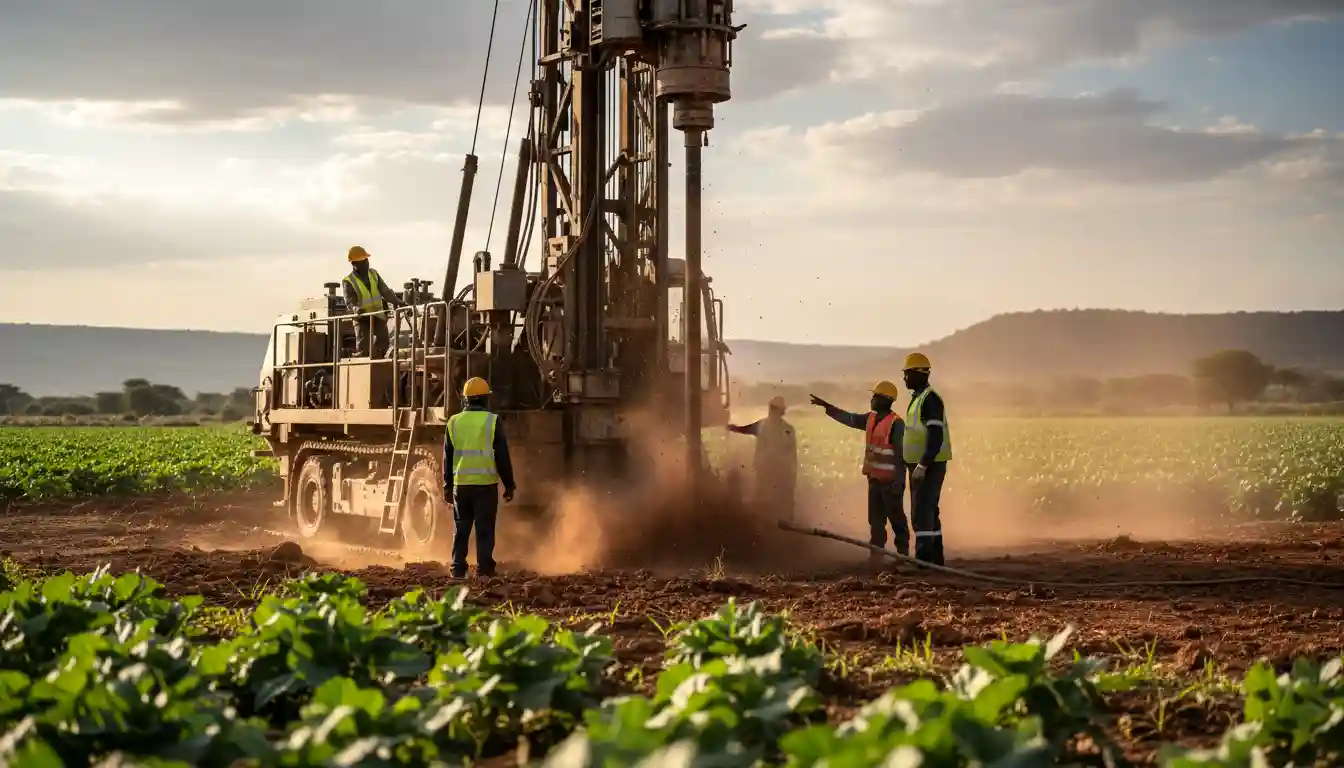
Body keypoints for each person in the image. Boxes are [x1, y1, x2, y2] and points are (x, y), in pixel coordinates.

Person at [809, 382, 908, 562]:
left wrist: (899, 482)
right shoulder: (870, 419)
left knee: (897, 522)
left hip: (890, 483)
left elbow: (902, 456)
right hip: (875, 481)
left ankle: (904, 558)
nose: (871, 399)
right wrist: (828, 407)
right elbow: (849, 418)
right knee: (876, 523)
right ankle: (876, 557)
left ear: (884, 400)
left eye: (875, 396)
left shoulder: (896, 424)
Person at [443, 376, 516, 578]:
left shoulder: (453, 422)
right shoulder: (492, 421)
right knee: (484, 529)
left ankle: (457, 568)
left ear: (465, 399)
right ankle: (484, 569)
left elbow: (447, 458)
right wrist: (509, 485)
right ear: (485, 399)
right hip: (485, 486)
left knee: (461, 527)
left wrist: (447, 486)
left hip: (461, 486)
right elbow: (502, 456)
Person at [901, 352, 950, 565]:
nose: (904, 378)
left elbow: (935, 436)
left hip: (929, 465)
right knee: (929, 511)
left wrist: (922, 465)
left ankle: (923, 562)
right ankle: (935, 560)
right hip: (923, 465)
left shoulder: (929, 399)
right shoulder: (919, 398)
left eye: (908, 373)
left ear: (920, 374)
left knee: (922, 512)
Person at [726, 395, 799, 521]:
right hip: (779, 470)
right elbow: (792, 454)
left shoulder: (763, 425)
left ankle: (766, 521)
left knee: (764, 496)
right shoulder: (788, 429)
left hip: (767, 469)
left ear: (772, 409)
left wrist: (732, 428)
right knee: (780, 498)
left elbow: (744, 429)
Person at [342, 245, 406, 358]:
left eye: (366, 260)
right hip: (362, 318)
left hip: (377, 315)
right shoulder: (348, 281)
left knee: (384, 342)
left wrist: (397, 301)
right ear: (354, 264)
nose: (366, 263)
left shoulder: (373, 274)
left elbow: (385, 291)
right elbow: (349, 301)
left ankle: (379, 361)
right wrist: (355, 308)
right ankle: (361, 360)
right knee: (364, 347)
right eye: (362, 261)